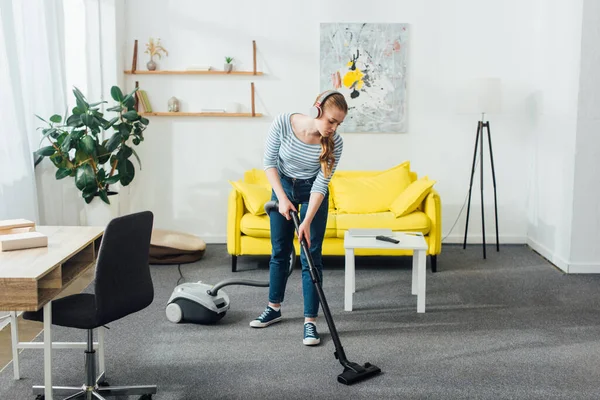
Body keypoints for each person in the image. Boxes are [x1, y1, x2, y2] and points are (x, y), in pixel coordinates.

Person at [249, 90, 348, 346]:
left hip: (312, 192)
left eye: (338, 123)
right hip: (282, 186)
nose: (334, 128)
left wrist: (305, 221)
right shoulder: (283, 122)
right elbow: (269, 162)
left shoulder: (335, 143)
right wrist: (282, 198)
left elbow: (321, 184)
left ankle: (310, 322)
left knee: (311, 254)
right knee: (279, 250)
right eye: (331, 121)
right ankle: (274, 308)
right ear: (317, 111)